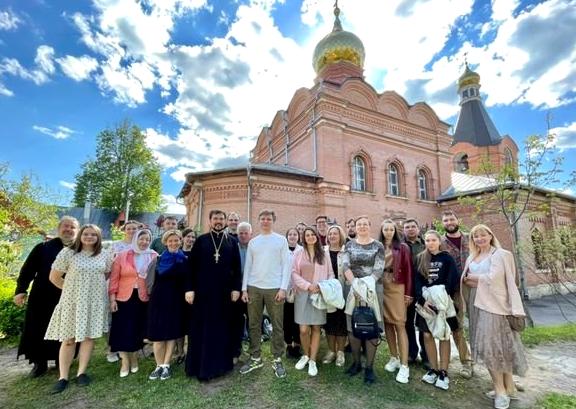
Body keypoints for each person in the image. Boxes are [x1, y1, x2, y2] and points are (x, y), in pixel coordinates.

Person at [462, 224, 528, 409]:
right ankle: (508, 387)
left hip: (494, 306)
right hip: (475, 303)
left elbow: (494, 278)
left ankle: (500, 390)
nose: (480, 239)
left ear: (490, 236)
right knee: (491, 345)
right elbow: (465, 278)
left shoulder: (500, 254)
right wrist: (472, 279)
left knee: (495, 346)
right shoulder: (472, 256)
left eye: (483, 235)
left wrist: (473, 279)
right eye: (476, 236)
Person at [45, 224, 113, 394]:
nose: (89, 237)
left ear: (98, 238)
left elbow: (105, 275)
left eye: (93, 235)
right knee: (69, 339)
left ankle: (81, 372)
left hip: (94, 302)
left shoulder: (104, 255)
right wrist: (71, 291)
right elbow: (54, 277)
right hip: (73, 301)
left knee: (89, 338)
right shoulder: (68, 253)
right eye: (86, 234)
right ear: (80, 235)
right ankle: (63, 377)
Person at [14, 216, 79, 378]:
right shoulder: (43, 247)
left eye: (72, 227)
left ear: (77, 231)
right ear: (58, 229)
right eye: (66, 226)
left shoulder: (81, 249)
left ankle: (61, 361)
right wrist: (21, 290)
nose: (69, 229)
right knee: (38, 329)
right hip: (42, 296)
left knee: (66, 329)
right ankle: (39, 363)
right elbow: (27, 270)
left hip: (69, 297)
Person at [184, 210, 242, 381]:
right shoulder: (201, 241)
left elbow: (237, 268)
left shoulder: (232, 242)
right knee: (201, 329)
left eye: (221, 218)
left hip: (224, 294)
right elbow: (191, 267)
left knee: (221, 328)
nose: (218, 221)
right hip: (203, 293)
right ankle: (199, 366)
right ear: (210, 221)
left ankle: (220, 365)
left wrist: (236, 289)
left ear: (225, 221)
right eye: (215, 218)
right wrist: (189, 289)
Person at [239, 209, 290, 379]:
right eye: (263, 219)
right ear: (259, 221)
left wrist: (283, 288)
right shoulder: (254, 242)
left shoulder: (281, 240)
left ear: (273, 220)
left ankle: (277, 358)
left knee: (277, 325)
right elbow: (248, 266)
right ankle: (255, 357)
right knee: (254, 324)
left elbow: (286, 266)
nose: (266, 221)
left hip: (275, 288)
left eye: (269, 218)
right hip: (254, 287)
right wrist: (244, 289)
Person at [341, 216, 385, 385]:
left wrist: (367, 285)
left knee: (372, 326)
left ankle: (370, 368)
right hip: (353, 288)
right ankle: (357, 363)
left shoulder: (378, 246)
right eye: (359, 224)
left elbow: (379, 267)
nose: (362, 227)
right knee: (353, 326)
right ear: (355, 227)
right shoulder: (349, 245)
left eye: (365, 224)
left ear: (370, 226)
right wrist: (356, 284)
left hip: (374, 288)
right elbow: (345, 266)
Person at [108, 229, 157, 378]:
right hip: (123, 297)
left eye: (147, 239)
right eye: (141, 239)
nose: (144, 242)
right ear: (136, 239)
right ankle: (124, 361)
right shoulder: (123, 256)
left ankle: (134, 358)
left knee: (137, 329)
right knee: (122, 329)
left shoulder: (153, 255)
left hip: (142, 298)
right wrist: (112, 298)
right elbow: (114, 279)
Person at [415, 230, 460, 391]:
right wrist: (422, 299)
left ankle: (443, 371)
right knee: (426, 334)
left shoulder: (446, 258)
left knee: (443, 334)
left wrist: (442, 296)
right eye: (427, 240)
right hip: (426, 303)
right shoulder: (421, 258)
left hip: (442, 302)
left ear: (439, 241)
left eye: (433, 240)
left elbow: (452, 279)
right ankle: (433, 369)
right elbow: (417, 281)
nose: (430, 243)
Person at [292, 227, 334, 377]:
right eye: (307, 235)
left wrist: (321, 287)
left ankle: (312, 360)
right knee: (303, 329)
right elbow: (294, 273)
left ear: (316, 237)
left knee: (316, 328)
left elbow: (330, 274)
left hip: (319, 295)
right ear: (304, 238)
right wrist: (307, 285)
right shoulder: (298, 253)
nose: (310, 237)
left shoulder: (324, 254)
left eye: (312, 234)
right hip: (303, 294)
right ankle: (305, 354)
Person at [146, 229, 187, 381]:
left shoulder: (185, 259)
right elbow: (149, 281)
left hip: (176, 300)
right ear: (165, 242)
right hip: (159, 299)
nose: (174, 243)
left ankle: (166, 365)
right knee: (158, 334)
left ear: (180, 241)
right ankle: (158, 365)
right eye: (170, 240)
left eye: (176, 240)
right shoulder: (158, 259)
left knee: (171, 333)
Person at [378, 219, 413, 384]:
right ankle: (394, 358)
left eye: (391, 229)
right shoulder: (377, 247)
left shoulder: (403, 247)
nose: (388, 232)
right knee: (387, 324)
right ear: (382, 231)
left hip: (397, 286)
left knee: (399, 324)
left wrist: (408, 293)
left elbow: (408, 271)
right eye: (386, 229)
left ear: (395, 231)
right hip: (381, 286)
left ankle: (405, 365)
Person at [440, 210, 473, 378]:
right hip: (452, 290)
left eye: (451, 219)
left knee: (480, 324)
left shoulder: (471, 237)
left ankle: (494, 364)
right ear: (443, 223)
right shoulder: (440, 242)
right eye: (446, 220)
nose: (449, 222)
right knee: (456, 326)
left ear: (457, 219)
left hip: (474, 287)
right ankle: (466, 362)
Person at [402, 218, 429, 369]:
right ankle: (412, 353)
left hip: (423, 288)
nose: (410, 229)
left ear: (418, 229)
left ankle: (426, 356)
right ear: (403, 230)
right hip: (406, 289)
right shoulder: (400, 245)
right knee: (407, 323)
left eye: (413, 226)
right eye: (407, 227)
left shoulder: (425, 244)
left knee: (423, 322)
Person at [322, 225, 348, 367]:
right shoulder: (323, 251)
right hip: (328, 292)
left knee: (342, 321)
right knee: (330, 321)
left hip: (343, 291)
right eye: (330, 233)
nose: (332, 236)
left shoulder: (346, 251)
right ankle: (331, 350)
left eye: (335, 233)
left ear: (340, 236)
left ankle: (341, 352)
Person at [231, 222, 253, 362]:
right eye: (241, 233)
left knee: (253, 321)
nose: (243, 236)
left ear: (251, 233)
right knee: (236, 320)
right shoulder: (232, 247)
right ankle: (236, 352)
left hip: (252, 289)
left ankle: (253, 352)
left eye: (246, 233)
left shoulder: (255, 247)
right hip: (236, 289)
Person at [284, 227, 303, 359]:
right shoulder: (282, 250)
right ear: (287, 237)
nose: (292, 236)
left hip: (299, 290)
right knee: (287, 318)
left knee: (298, 319)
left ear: (298, 237)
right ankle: (288, 344)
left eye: (294, 234)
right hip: (285, 289)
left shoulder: (302, 250)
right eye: (290, 234)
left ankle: (297, 344)